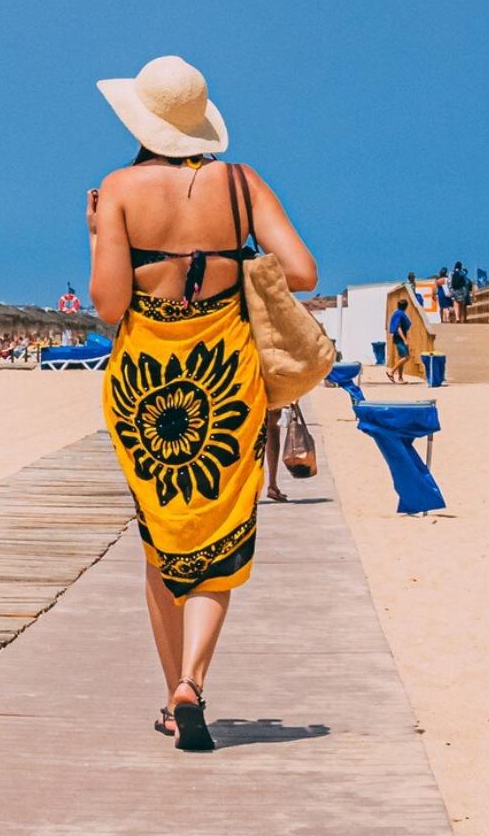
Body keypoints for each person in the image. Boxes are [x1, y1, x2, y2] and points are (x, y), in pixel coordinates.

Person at [88, 55, 317, 751]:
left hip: (146, 385)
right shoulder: (242, 184)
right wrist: (227, 259)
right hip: (226, 381)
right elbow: (303, 273)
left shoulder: (120, 188)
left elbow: (108, 307)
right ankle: (192, 681)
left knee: (162, 536)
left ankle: (170, 698)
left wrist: (100, 232)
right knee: (221, 529)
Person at [387, 298, 412, 383]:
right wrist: (404, 339)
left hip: (399, 337)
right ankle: (391, 372)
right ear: (406, 306)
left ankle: (400, 378)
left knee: (401, 357)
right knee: (406, 357)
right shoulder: (400, 314)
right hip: (400, 338)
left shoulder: (397, 313)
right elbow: (398, 328)